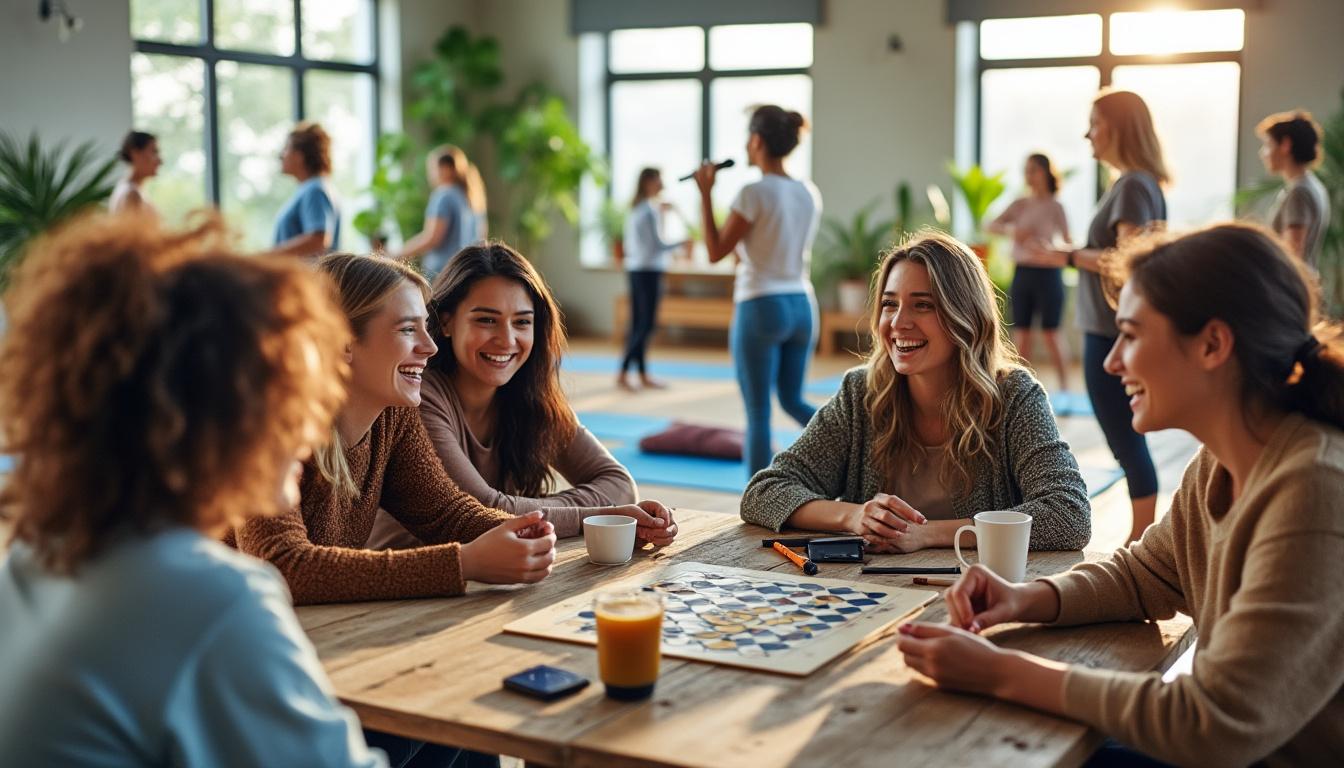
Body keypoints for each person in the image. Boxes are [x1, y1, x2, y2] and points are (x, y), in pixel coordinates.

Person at [896, 223, 1344, 766]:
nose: (1111, 362)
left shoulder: (1315, 488)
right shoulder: (1219, 463)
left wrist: (997, 671)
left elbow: (1211, 722)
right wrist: (1027, 598)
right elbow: (1148, 575)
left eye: (1130, 335)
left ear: (1212, 344)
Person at [0, 213, 385, 766]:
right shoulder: (212, 598)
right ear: (220, 417)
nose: (309, 423)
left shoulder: (38, 554)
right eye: (292, 393)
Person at [230, 253, 557, 606]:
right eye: (406, 329)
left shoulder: (392, 416)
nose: (430, 348)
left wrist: (523, 527)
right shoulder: (264, 423)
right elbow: (281, 566)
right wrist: (464, 563)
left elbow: (445, 513)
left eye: (425, 328)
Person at [741, 231, 1090, 553]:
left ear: (965, 315)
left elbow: (1069, 515)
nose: (898, 322)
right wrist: (854, 517)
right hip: (874, 593)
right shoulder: (860, 392)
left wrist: (926, 534)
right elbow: (763, 492)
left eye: (923, 305)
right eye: (890, 304)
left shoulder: (1015, 397)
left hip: (980, 597)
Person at [365, 241, 677, 549]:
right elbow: (482, 511)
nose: (507, 339)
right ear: (446, 321)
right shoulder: (419, 396)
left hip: (488, 578)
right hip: (409, 584)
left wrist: (527, 509)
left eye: (522, 322)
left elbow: (620, 486)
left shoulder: (532, 394)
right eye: (486, 320)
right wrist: (596, 515)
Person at [1036, 89, 1167, 544]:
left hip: (1110, 331)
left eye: (1094, 122)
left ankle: (1141, 543)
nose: (1087, 133)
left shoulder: (1133, 184)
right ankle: (1142, 539)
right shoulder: (1136, 183)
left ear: (1116, 127)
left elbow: (1126, 258)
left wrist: (1070, 256)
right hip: (1109, 328)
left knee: (1124, 437)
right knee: (1125, 435)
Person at [693, 105, 823, 475]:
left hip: (761, 305)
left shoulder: (753, 192)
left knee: (758, 412)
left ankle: (756, 501)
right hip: (801, 304)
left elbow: (716, 251)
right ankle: (860, 447)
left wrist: (705, 192)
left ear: (756, 141)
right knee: (793, 400)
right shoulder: (808, 191)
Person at [986, 153, 1071, 392]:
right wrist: (1014, 231)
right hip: (1023, 273)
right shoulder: (1020, 204)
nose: (1028, 175)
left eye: (1033, 169)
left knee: (1052, 333)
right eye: (1026, 170)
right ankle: (1021, 388)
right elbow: (990, 224)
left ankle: (1065, 389)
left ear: (1045, 172)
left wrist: (1047, 248)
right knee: (1022, 334)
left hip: (1048, 274)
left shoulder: (1056, 206)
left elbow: (1067, 242)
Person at [618, 167, 688, 391]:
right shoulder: (648, 210)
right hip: (648, 271)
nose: (662, 183)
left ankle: (641, 373)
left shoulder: (640, 208)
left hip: (637, 269)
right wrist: (683, 242)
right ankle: (624, 371)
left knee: (639, 322)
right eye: (659, 179)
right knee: (645, 324)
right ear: (648, 181)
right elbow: (658, 245)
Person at [397, 145, 488, 279]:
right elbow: (482, 239)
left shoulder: (444, 195)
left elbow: (432, 238)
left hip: (441, 274)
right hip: (465, 273)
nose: (429, 175)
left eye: (432, 169)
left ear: (446, 169)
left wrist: (397, 254)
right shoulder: (472, 197)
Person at [1258, 109, 1331, 268]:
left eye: (1268, 145)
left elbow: (1292, 253)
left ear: (1285, 145)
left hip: (1291, 287)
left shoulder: (1299, 192)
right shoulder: (1313, 185)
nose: (1263, 153)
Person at [272, 121, 341, 258]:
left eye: (286, 149)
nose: (281, 155)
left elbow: (318, 240)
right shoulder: (313, 188)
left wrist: (266, 258)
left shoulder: (315, 190)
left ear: (300, 156)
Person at [108, 130, 161, 216]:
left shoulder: (127, 188)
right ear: (135, 153)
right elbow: (136, 230)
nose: (160, 160)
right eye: (154, 152)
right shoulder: (132, 194)